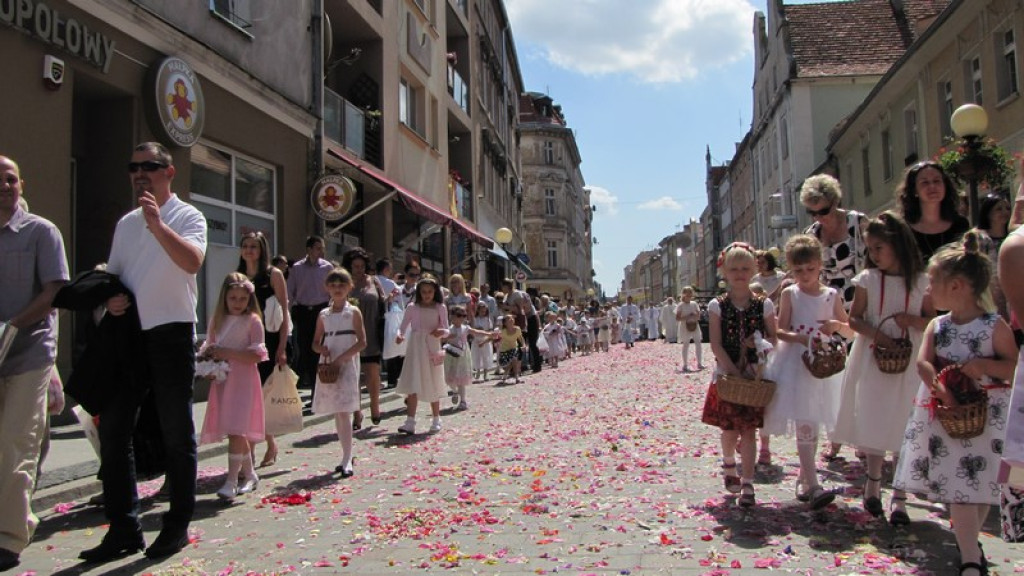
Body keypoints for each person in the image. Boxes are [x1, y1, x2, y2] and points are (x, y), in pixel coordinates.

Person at [83, 142, 207, 562]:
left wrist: (158, 225)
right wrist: (111, 299)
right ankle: (123, 528)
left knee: (176, 432)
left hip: (172, 332)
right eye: (133, 167)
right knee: (115, 430)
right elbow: (114, 276)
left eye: (148, 166)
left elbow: (191, 262)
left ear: (169, 172)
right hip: (130, 335)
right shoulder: (125, 223)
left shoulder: (187, 215)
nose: (139, 173)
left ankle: (177, 526)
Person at [893, 232, 1016, 576]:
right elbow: (923, 362)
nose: (928, 290)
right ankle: (970, 559)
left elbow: (1012, 364)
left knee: (980, 489)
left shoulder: (993, 326)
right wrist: (939, 387)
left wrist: (986, 367)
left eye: (933, 283)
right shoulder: (938, 325)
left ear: (958, 286)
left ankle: (969, 542)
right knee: (959, 490)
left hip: (985, 419)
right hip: (946, 418)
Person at [831, 212, 932, 524]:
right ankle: (873, 484)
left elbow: (931, 320)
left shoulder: (921, 281)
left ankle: (900, 497)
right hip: (874, 355)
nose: (873, 255)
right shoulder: (868, 280)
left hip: (910, 357)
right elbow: (855, 319)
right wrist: (881, 335)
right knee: (875, 417)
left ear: (898, 245)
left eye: (879, 248)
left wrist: (911, 322)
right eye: (869, 249)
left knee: (905, 419)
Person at [0, 155, 69, 571]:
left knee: (15, 444)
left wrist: (11, 326)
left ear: (22, 184)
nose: (5, 186)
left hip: (29, 353)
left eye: (11, 179)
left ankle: (8, 539)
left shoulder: (41, 231)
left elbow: (53, 293)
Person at [763, 235, 854, 510]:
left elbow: (850, 329)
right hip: (797, 362)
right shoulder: (791, 294)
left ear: (819, 265)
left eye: (810, 269)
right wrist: (801, 338)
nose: (805, 275)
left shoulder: (831, 295)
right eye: (799, 270)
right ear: (792, 270)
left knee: (814, 422)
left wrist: (836, 326)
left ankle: (804, 478)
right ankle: (813, 484)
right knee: (805, 422)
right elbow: (779, 330)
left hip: (825, 364)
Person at [701, 242, 777, 508]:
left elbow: (773, 338)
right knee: (730, 429)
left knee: (749, 431)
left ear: (755, 269)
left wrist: (757, 345)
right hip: (728, 374)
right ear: (724, 271)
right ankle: (729, 464)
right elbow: (716, 344)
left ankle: (747, 482)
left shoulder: (764, 304)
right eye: (734, 268)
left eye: (745, 267)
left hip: (755, 375)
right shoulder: (717, 305)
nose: (740, 273)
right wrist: (733, 372)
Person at [801, 173, 867, 462]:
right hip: (829, 308)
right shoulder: (812, 234)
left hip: (860, 303)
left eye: (824, 210)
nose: (819, 217)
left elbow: (874, 263)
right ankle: (836, 439)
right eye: (812, 211)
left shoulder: (858, 223)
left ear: (835, 202)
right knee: (834, 374)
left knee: (861, 374)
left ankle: (865, 436)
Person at [198, 273, 267, 501]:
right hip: (223, 381)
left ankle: (231, 481)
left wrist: (228, 353)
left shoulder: (253, 321)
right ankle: (250, 474)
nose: (238, 303)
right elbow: (209, 346)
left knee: (237, 430)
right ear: (224, 299)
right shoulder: (216, 321)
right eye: (233, 298)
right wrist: (207, 364)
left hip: (244, 381)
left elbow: (257, 355)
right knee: (235, 430)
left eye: (242, 299)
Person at [237, 232, 288, 468]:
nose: (249, 250)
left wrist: (282, 346)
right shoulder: (237, 276)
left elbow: (284, 312)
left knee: (260, 399)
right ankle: (266, 444)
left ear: (262, 250)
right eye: (245, 246)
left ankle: (258, 448)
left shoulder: (273, 274)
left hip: (267, 343)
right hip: (242, 344)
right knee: (249, 399)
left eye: (253, 246)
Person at [310, 268, 365, 478]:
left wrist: (342, 358)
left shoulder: (353, 312)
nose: (337, 289)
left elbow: (362, 341)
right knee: (338, 411)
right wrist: (321, 349)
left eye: (341, 285)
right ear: (327, 289)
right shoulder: (323, 314)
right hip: (329, 365)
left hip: (347, 364)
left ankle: (347, 457)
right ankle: (345, 454)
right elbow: (315, 342)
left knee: (345, 410)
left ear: (349, 287)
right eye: (333, 285)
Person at [394, 274, 449, 434]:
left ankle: (436, 418)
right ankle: (410, 421)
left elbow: (447, 329)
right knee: (413, 382)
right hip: (415, 347)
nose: (426, 295)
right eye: (423, 291)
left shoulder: (440, 307)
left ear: (435, 292)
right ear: (419, 292)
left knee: (433, 380)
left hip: (432, 344)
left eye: (429, 291)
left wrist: (442, 332)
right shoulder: (412, 307)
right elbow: (402, 326)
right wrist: (400, 335)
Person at [342, 248, 385, 428]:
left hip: (372, 332)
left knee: (372, 373)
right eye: (355, 266)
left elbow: (383, 302)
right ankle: (357, 412)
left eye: (361, 266)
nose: (358, 269)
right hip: (351, 335)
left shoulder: (374, 281)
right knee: (353, 376)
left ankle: (375, 407)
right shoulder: (345, 283)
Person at [896, 160, 971, 263]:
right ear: (914, 190)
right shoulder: (903, 228)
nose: (932, 186)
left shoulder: (960, 224)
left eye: (936, 181)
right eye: (925, 182)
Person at [287, 236, 332, 392]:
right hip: (303, 312)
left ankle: (322, 387)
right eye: (318, 248)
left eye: (322, 248)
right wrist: (287, 312)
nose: (321, 251)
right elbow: (290, 292)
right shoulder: (297, 268)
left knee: (321, 349)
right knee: (306, 350)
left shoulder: (327, 267)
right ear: (309, 249)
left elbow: (332, 290)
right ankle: (314, 386)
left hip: (322, 310)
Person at [443, 305, 491, 411]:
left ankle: (463, 401)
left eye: (464, 315)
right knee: (449, 379)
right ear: (452, 317)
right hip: (451, 355)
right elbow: (441, 338)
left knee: (461, 379)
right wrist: (447, 337)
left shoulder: (465, 328)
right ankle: (454, 391)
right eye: (459, 315)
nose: (462, 318)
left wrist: (489, 333)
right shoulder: (448, 329)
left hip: (462, 356)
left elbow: (476, 332)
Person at [975, 193, 1012, 320]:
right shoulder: (979, 238)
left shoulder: (1013, 237)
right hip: (988, 297)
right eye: (999, 209)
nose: (1004, 212)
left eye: (1007, 208)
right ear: (988, 213)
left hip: (1012, 295)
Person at [501, 279, 542, 373]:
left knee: (532, 343)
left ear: (507, 286)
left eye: (503, 286)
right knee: (518, 344)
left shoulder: (517, 294)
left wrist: (506, 307)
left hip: (529, 319)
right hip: (518, 320)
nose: (502, 288)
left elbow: (520, 310)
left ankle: (536, 365)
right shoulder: (507, 296)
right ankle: (518, 367)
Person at [676, 287, 704, 372]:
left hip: (694, 325)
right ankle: (685, 364)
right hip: (685, 326)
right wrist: (688, 316)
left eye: (690, 294)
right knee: (686, 344)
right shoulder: (680, 305)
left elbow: (698, 316)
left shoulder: (694, 303)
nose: (689, 296)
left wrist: (695, 316)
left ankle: (699, 363)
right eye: (687, 294)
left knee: (698, 343)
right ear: (684, 294)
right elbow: (678, 318)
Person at [496, 314, 526, 384]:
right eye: (509, 319)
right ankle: (504, 377)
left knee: (514, 360)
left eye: (512, 318)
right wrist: (484, 342)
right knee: (508, 365)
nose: (512, 319)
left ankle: (517, 378)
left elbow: (521, 338)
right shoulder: (502, 331)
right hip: (504, 350)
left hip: (514, 348)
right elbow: (494, 338)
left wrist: (524, 345)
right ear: (505, 323)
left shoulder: (518, 329)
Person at [471, 301, 495, 381]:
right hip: (476, 340)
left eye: (484, 311)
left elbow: (490, 332)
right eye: (481, 311)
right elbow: (471, 330)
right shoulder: (475, 320)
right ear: (478, 310)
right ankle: (478, 372)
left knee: (486, 357)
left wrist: (484, 341)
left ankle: (485, 374)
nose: (483, 312)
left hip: (485, 341)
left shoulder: (488, 320)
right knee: (476, 356)